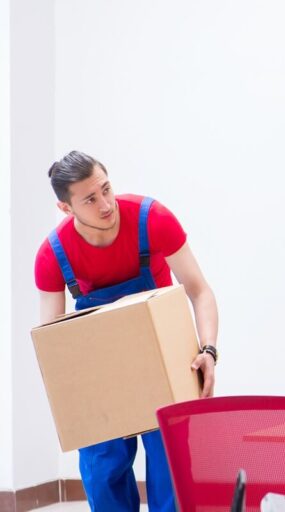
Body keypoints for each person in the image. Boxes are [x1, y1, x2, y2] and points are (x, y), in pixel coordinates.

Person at [34, 150, 219, 512]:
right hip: (100, 372)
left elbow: (200, 290)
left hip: (164, 363)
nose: (106, 204)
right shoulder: (52, 255)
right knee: (103, 476)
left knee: (173, 476)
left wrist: (209, 350)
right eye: (90, 199)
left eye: (106, 189)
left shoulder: (152, 220)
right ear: (66, 209)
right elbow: (53, 343)